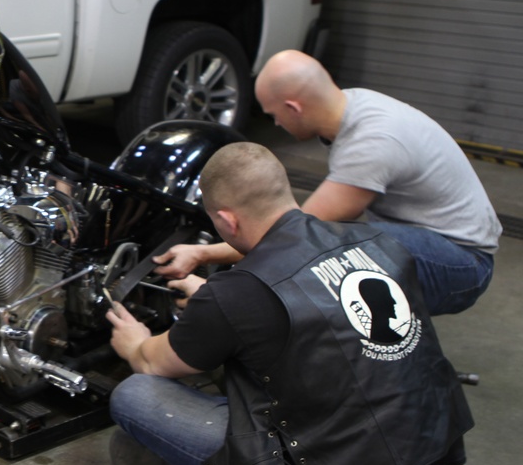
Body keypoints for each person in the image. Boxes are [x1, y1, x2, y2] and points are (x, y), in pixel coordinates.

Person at [106, 142, 473, 465]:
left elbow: (152, 364)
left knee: (135, 400)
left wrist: (134, 342)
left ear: (226, 219)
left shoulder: (235, 296)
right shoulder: (373, 241)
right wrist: (214, 303)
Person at [155, 50, 501, 315]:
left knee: (329, 254)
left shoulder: (371, 143)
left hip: (463, 265)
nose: (276, 124)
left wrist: (205, 262)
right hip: (437, 243)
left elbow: (294, 237)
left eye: (275, 115)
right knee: (336, 244)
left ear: (294, 107)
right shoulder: (354, 104)